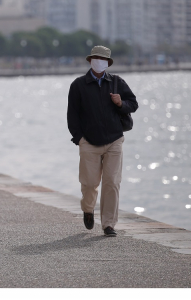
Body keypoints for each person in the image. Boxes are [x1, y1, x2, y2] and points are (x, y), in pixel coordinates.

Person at [67, 46, 138, 237]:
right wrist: (79, 139)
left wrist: (120, 103)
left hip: (114, 140)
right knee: (89, 183)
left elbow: (134, 104)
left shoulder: (117, 82)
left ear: (108, 62)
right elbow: (72, 115)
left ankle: (109, 224)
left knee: (112, 182)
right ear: (90, 60)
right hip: (88, 142)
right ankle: (88, 209)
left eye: (103, 58)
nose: (99, 61)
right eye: (96, 58)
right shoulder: (78, 85)